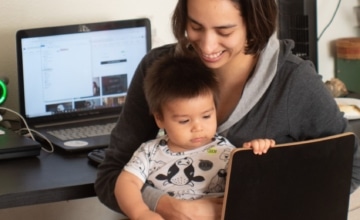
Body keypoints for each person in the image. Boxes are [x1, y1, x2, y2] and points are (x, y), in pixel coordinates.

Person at [95, 0, 360, 219]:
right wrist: (166, 206)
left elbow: (350, 169)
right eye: (195, 26)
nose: (207, 47)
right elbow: (111, 175)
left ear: (254, 25)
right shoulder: (159, 70)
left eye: (225, 31)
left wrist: (257, 202)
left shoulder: (293, 82)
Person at [115, 54, 275, 220]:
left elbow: (255, 186)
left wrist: (256, 153)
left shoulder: (226, 151)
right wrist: (141, 213)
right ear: (160, 119)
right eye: (184, 121)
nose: (198, 127)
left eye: (206, 116)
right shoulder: (149, 152)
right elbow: (126, 183)